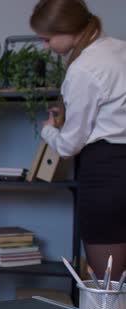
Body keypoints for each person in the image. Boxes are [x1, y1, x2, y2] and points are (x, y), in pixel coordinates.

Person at [31, 0, 126, 281]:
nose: (45, 47)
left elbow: (69, 145)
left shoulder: (83, 68)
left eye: (47, 39)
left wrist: (48, 129)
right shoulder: (121, 49)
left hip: (106, 175)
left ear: (66, 30)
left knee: (107, 287)